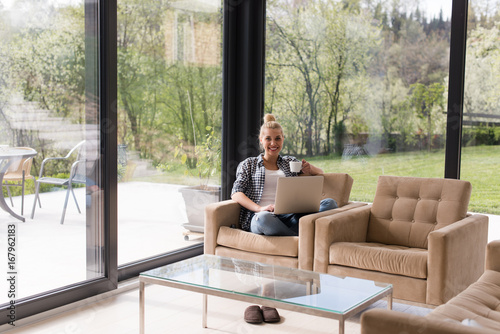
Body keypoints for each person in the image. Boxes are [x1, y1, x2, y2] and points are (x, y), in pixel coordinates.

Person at [231, 114, 338, 237]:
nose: (273, 143)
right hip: (261, 217)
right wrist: (260, 208)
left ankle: (291, 234)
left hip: (290, 216)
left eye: (277, 138)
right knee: (263, 219)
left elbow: (320, 172)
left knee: (330, 203)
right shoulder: (249, 164)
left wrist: (310, 168)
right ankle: (301, 237)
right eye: (268, 139)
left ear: (283, 139)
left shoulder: (289, 162)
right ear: (261, 140)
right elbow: (236, 193)